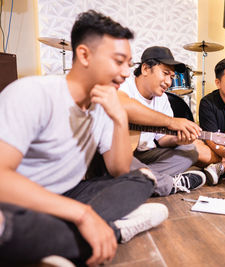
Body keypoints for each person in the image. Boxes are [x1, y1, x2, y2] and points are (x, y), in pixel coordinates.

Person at [0, 10, 169, 266]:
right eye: (118, 61)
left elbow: (120, 169)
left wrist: (120, 119)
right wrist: (82, 214)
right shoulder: (32, 93)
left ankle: (56, 241)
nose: (125, 73)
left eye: (129, 64)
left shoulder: (103, 105)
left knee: (142, 179)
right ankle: (112, 230)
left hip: (68, 195)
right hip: (19, 202)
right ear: (84, 55)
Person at [118, 46, 206, 196]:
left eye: (171, 77)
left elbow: (163, 139)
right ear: (145, 68)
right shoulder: (124, 85)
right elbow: (123, 105)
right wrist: (170, 122)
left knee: (190, 152)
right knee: (117, 159)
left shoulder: (163, 99)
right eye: (165, 74)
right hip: (120, 154)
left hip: (145, 155)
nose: (168, 82)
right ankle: (166, 184)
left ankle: (135, 179)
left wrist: (179, 139)